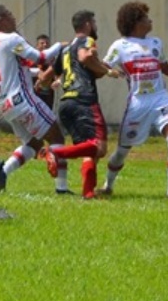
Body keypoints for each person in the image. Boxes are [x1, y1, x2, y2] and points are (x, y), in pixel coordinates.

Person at [98, 1, 168, 199]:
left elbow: (167, 69)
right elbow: (101, 66)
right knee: (122, 151)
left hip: (160, 98)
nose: (150, 20)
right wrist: (103, 69)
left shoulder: (156, 43)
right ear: (135, 22)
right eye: (145, 17)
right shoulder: (120, 46)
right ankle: (108, 184)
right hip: (137, 104)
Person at [0, 4, 67, 192]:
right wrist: (60, 46)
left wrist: (38, 73)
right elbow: (41, 56)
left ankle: (2, 172)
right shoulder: (11, 39)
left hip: (6, 105)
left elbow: (15, 71)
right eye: (10, 15)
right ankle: (62, 188)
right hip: (23, 100)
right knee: (56, 135)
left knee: (34, 144)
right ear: (1, 20)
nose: (14, 19)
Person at [39, 10, 119, 200]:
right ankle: (54, 152)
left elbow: (44, 78)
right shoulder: (87, 41)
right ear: (87, 24)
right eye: (94, 22)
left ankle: (88, 193)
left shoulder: (64, 49)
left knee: (88, 150)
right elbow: (84, 58)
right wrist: (108, 72)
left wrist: (47, 82)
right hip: (84, 100)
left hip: (66, 103)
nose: (95, 26)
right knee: (99, 147)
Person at [32, 34, 56, 110]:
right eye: (42, 43)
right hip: (34, 97)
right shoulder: (32, 60)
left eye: (47, 43)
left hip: (48, 97)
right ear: (37, 46)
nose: (45, 45)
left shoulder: (53, 61)